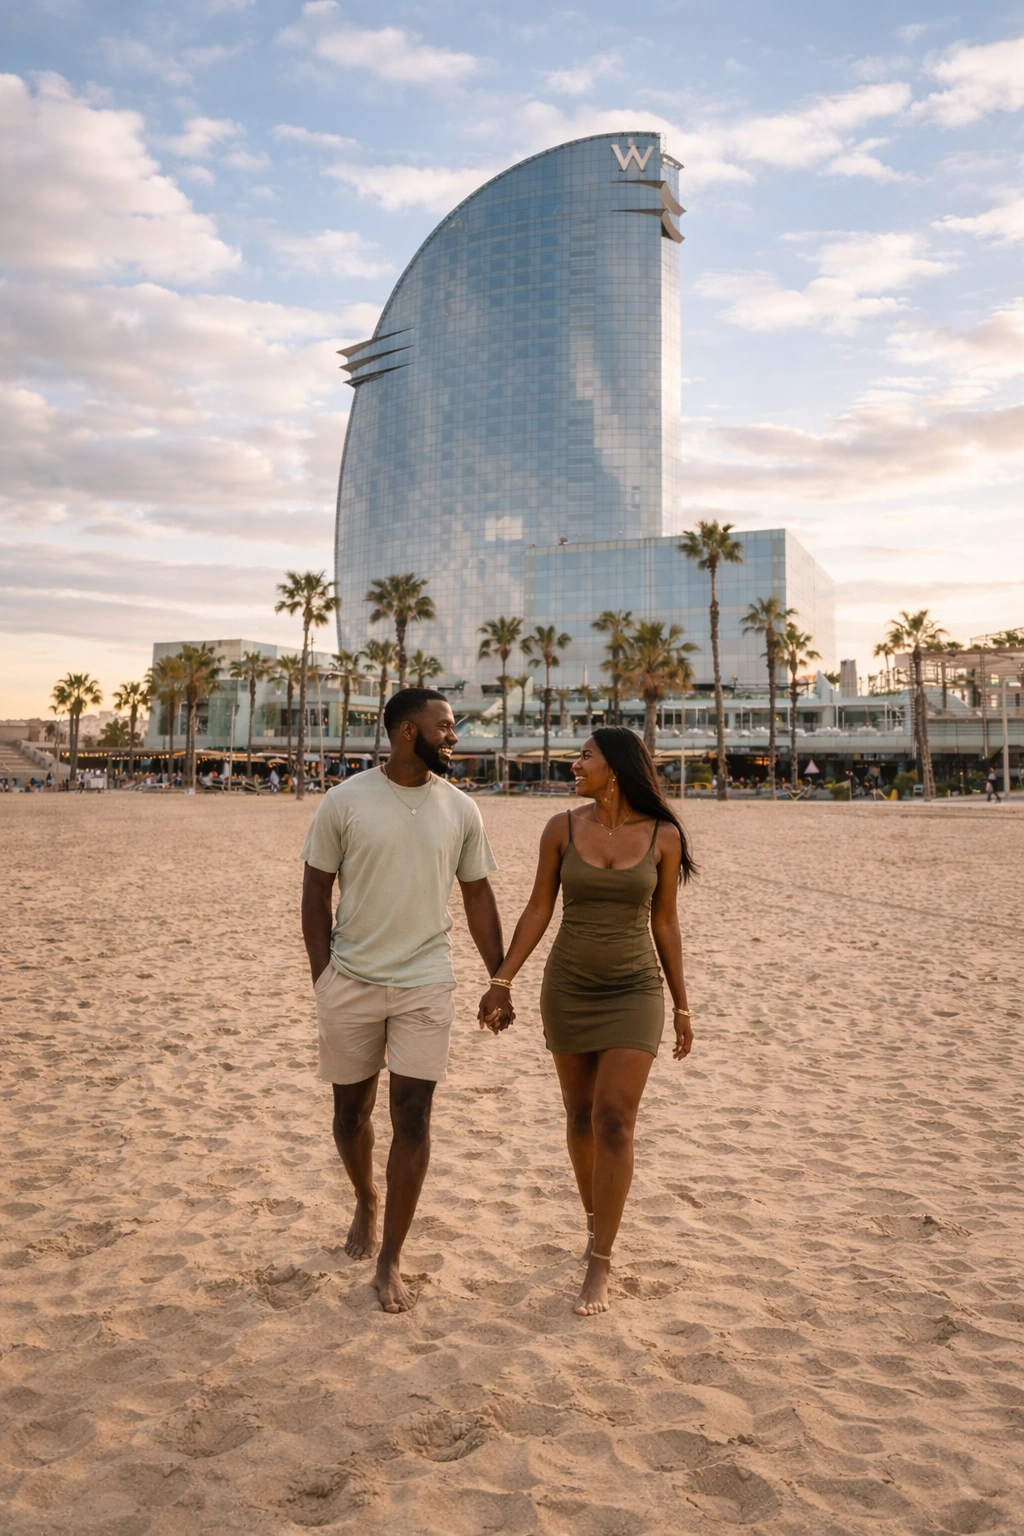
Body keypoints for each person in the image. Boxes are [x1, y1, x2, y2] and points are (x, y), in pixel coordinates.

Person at [301, 688, 511, 1314]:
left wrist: (498, 979)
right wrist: (324, 978)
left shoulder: (462, 809)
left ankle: (391, 1257)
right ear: (405, 732)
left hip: (426, 978)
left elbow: (478, 897)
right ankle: (366, 1197)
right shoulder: (345, 801)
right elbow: (315, 893)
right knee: (351, 1115)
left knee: (413, 1113)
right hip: (352, 979)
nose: (454, 736)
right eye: (444, 726)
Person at [477, 726, 695, 1317]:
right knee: (578, 1115)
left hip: (635, 989)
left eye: (585, 756)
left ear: (616, 768)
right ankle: (595, 1222)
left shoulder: (663, 836)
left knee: (614, 1120)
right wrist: (502, 979)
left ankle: (601, 1260)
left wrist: (680, 1003)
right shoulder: (562, 828)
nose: (575, 764)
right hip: (569, 985)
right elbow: (539, 906)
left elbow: (666, 924)